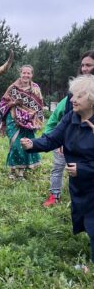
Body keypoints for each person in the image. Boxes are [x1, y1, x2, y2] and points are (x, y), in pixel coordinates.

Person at [21, 75, 94, 267]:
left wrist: (85, 169)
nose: (72, 100)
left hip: (89, 179)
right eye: (72, 95)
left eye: (78, 96)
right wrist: (33, 144)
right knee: (86, 217)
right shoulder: (72, 118)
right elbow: (53, 139)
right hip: (80, 184)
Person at [43, 49, 94, 207]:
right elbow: (66, 114)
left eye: (89, 65)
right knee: (59, 165)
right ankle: (55, 195)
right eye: (83, 65)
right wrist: (61, 140)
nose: (85, 69)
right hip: (72, 135)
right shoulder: (75, 89)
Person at [0, 65, 44, 179]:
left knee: (25, 144)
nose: (26, 75)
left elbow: (39, 106)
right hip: (13, 119)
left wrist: (35, 120)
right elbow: (3, 103)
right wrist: (13, 103)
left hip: (28, 121)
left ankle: (20, 172)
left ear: (32, 75)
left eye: (28, 73)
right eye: (24, 73)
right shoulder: (13, 88)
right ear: (20, 74)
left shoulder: (35, 88)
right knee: (15, 144)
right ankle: (12, 170)